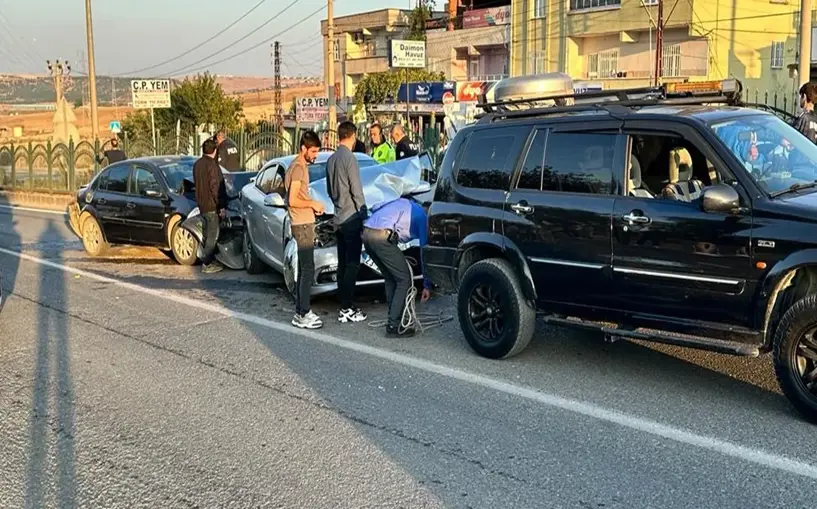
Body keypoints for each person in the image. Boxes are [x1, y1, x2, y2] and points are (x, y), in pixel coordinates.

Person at [362, 196, 431, 338]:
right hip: (381, 237)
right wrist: (427, 284)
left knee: (390, 277)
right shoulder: (424, 218)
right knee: (404, 279)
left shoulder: (404, 202)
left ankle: (393, 318)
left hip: (367, 233)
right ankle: (393, 325)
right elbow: (425, 252)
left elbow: (376, 207)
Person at [326, 121, 368, 324]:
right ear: (352, 136)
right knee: (353, 263)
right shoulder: (349, 158)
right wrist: (363, 212)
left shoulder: (331, 159)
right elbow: (356, 189)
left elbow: (329, 189)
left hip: (337, 216)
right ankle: (347, 307)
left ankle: (342, 301)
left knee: (342, 262)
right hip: (351, 217)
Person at [285, 130, 326, 329]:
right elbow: (293, 199)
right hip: (301, 224)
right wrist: (313, 204)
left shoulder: (296, 165)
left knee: (304, 269)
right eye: (313, 151)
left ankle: (301, 311)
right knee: (307, 269)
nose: (315, 155)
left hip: (302, 222)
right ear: (304, 148)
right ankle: (303, 312)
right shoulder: (299, 168)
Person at [193, 138, 228, 274]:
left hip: (202, 204)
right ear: (214, 151)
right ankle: (206, 263)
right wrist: (221, 206)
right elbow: (215, 187)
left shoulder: (197, 164)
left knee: (207, 234)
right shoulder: (212, 166)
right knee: (213, 235)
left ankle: (208, 259)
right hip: (212, 206)